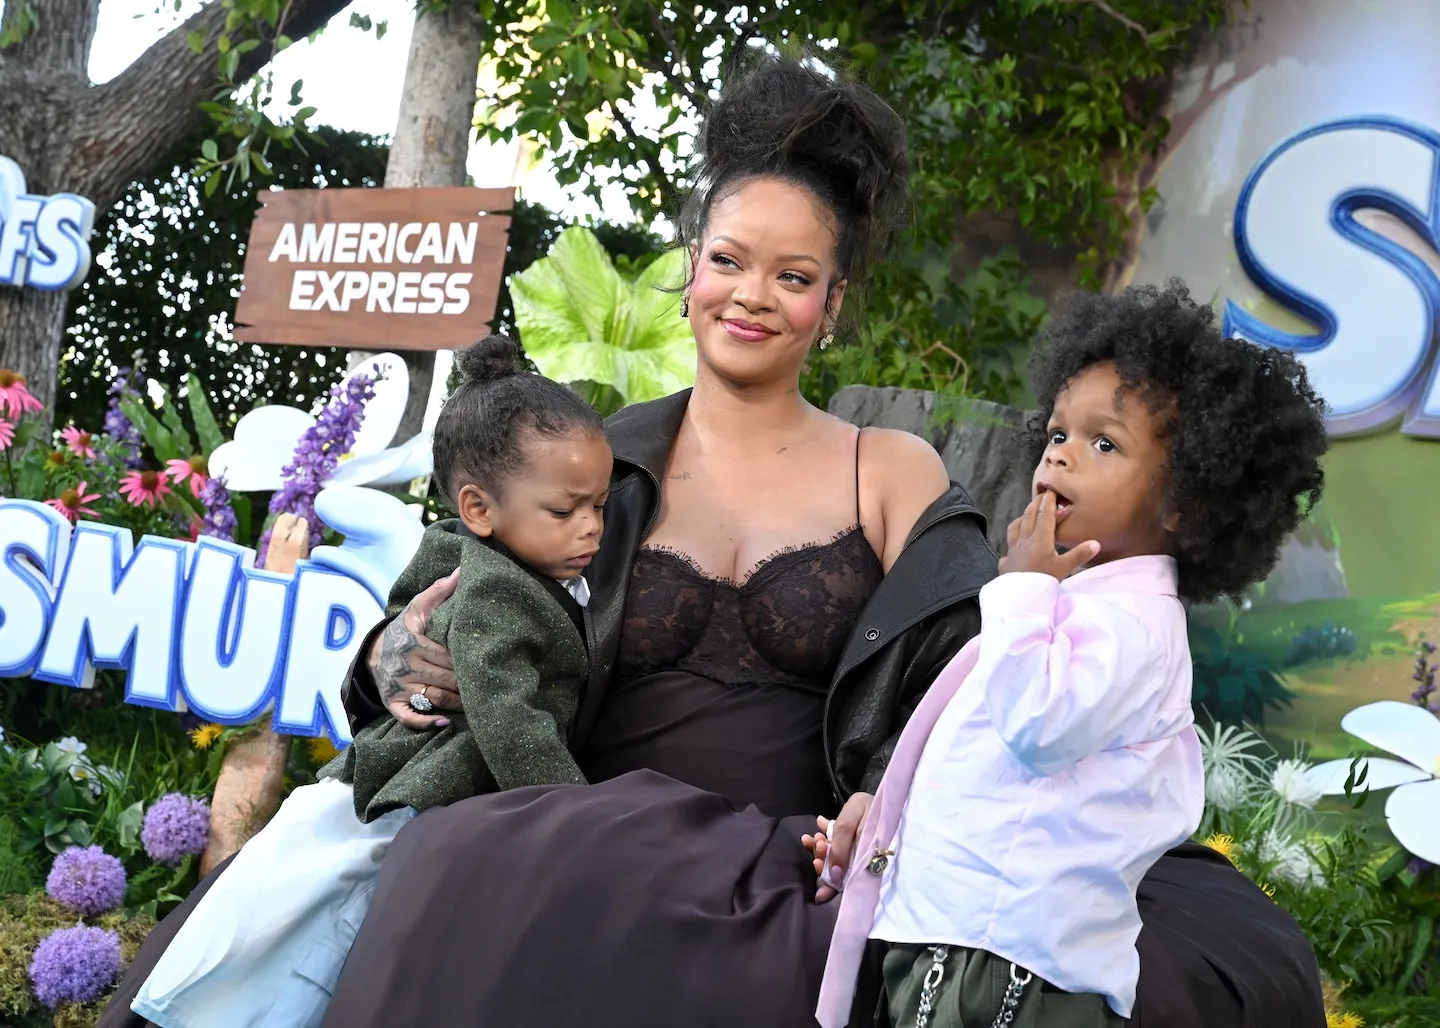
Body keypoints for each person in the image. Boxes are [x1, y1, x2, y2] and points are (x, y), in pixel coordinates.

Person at [100, 54, 1326, 1028]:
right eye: (730, 260)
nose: (753, 294)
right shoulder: (590, 450)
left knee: (1208, 960)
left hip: (802, 848)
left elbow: (975, 676)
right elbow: (450, 588)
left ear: (832, 305)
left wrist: (903, 796)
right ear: (691, 270)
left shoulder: (886, 467)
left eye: (794, 276)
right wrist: (392, 660)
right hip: (568, 813)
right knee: (474, 867)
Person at [815, 282, 1329, 1028]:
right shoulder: (1072, 604)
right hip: (955, 933)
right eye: (1057, 434)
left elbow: (1037, 723)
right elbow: (972, 760)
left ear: (1185, 501)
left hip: (1008, 965)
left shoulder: (1134, 628)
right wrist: (878, 836)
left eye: (1104, 443)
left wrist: (1019, 588)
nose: (1061, 458)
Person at [127, 335, 611, 1028]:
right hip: (437, 786)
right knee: (338, 931)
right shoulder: (497, 592)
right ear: (479, 508)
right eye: (566, 512)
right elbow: (507, 717)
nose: (591, 527)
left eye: (600, 504)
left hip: (409, 776)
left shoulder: (476, 551)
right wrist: (574, 814)